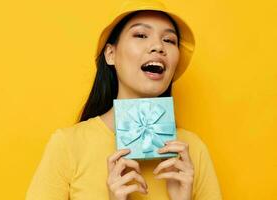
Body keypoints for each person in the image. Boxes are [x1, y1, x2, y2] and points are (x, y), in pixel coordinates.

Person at [26, 0, 222, 199]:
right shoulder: (67, 145)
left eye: (169, 40)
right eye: (140, 35)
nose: (158, 46)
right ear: (110, 54)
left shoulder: (192, 149)